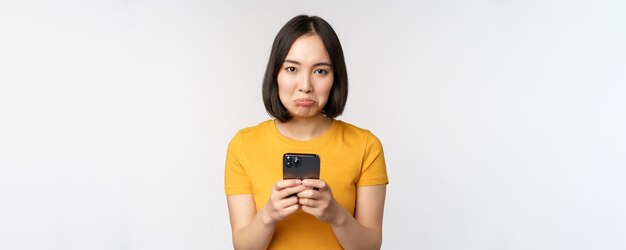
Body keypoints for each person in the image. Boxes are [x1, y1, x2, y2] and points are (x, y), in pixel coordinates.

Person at [224, 15, 389, 250]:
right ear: (275, 74)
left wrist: (335, 214)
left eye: (320, 71)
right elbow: (243, 247)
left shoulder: (366, 146)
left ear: (335, 77)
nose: (305, 85)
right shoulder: (243, 145)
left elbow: (370, 247)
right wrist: (269, 214)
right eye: (292, 68)